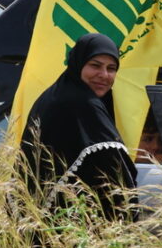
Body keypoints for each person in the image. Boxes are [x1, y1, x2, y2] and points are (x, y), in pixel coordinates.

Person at [19, 33, 137, 222]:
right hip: (68, 222)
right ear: (78, 63)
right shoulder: (83, 104)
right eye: (95, 65)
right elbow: (114, 170)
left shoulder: (56, 93)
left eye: (111, 68)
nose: (104, 75)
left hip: (38, 218)